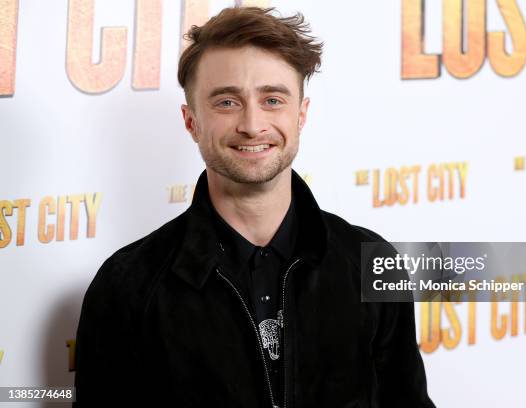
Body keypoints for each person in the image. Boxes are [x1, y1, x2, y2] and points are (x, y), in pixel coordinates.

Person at [73, 6, 435, 407]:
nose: (252, 124)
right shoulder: (127, 285)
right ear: (191, 121)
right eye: (227, 102)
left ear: (301, 115)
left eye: (273, 99)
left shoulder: (370, 261)